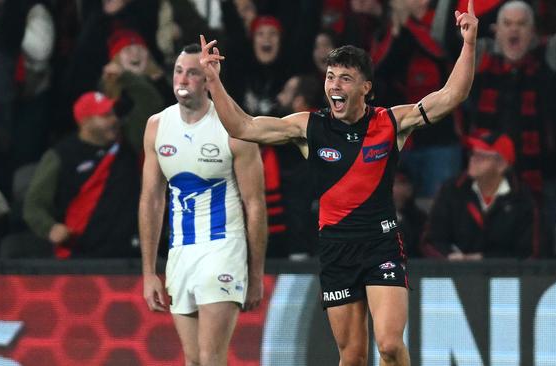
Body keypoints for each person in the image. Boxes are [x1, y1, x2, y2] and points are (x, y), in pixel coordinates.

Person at [199, 0, 478, 363]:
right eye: (331, 77)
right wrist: (213, 81)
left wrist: (469, 44)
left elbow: (451, 95)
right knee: (352, 357)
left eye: (345, 78)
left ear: (365, 88)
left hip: (381, 244)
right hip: (335, 249)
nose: (335, 85)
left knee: (391, 345)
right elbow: (244, 126)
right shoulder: (308, 127)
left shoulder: (391, 123)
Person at [140, 43, 267, 366]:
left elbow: (255, 204)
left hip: (223, 247)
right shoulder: (157, 127)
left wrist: (255, 274)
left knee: (211, 358)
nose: (183, 79)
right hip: (181, 251)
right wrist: (149, 271)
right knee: (194, 360)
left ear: (209, 80)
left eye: (193, 73)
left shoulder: (234, 129)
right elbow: (152, 199)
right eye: (179, 71)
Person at [14, 91, 141, 259]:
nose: (114, 120)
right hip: (80, 257)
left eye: (113, 114)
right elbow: (34, 205)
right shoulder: (61, 155)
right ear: (85, 123)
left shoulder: (129, 145)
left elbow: (149, 102)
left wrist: (127, 78)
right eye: (105, 116)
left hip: (129, 255)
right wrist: (50, 228)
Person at [421, 131, 539, 259]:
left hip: (506, 277)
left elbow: (528, 253)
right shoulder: (451, 190)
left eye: (481, 156)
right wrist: (449, 256)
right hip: (453, 273)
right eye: (473, 154)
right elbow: (431, 241)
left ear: (501, 165)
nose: (473, 159)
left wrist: (484, 260)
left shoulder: (521, 199)